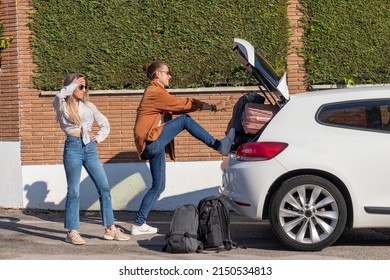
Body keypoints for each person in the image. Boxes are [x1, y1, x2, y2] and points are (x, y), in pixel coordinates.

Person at [132, 61, 235, 235]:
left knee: (158, 186)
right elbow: (182, 104)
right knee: (185, 120)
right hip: (152, 142)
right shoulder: (154, 92)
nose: (170, 76)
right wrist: (214, 107)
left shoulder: (157, 92)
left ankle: (138, 224)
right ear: (158, 74)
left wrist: (212, 107)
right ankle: (219, 146)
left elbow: (177, 106)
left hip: (154, 144)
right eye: (167, 72)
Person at [53, 73, 130, 245]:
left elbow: (105, 123)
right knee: (74, 191)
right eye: (80, 86)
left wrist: (99, 137)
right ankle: (72, 232)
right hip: (73, 148)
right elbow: (59, 95)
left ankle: (110, 229)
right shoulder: (61, 106)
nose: (84, 89)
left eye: (85, 86)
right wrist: (73, 85)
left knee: (104, 188)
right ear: (71, 87)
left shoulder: (89, 106)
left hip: (90, 149)